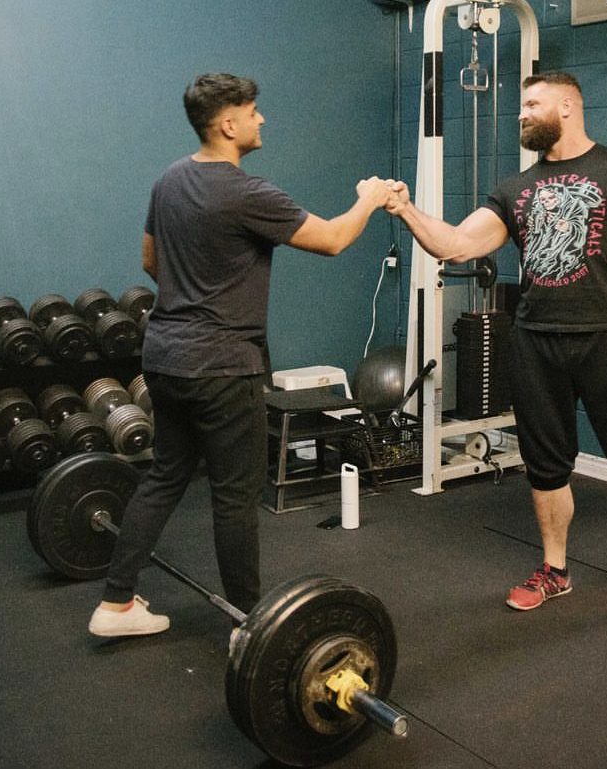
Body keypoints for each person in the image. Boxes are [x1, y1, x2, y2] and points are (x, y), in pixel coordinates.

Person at [88, 73, 392, 638]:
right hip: (224, 366)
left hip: (166, 358)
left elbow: (150, 262)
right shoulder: (248, 193)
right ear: (228, 123)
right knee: (234, 497)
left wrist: (195, 289)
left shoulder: (168, 181)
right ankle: (248, 624)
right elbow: (331, 240)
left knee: (163, 478)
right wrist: (368, 199)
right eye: (253, 111)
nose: (261, 119)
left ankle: (116, 603)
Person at [385, 71, 607, 630]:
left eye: (531, 104)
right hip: (535, 343)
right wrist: (407, 211)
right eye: (521, 106)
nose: (520, 114)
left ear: (569, 106)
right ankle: (554, 569)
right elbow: (457, 243)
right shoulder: (513, 188)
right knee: (546, 469)